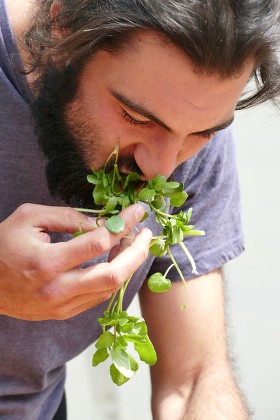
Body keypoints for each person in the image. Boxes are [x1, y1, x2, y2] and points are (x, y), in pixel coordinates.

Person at [0, 0, 279, 418]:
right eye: (136, 118)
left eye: (201, 133)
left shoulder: (186, 114)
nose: (163, 168)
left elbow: (194, 379)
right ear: (63, 25)